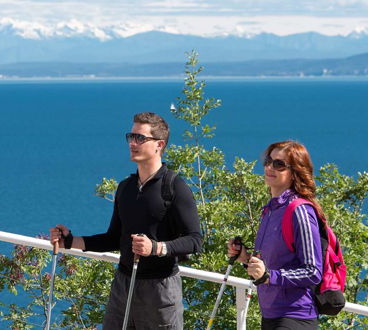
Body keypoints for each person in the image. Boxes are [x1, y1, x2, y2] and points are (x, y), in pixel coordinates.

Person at [50, 112, 202, 329]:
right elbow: (113, 238)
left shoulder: (175, 187)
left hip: (160, 290)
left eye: (140, 138)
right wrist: (70, 241)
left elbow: (195, 240)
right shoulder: (126, 188)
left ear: (159, 144)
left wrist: (156, 247)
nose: (132, 143)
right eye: (131, 136)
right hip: (123, 284)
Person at [228, 140, 323, 329]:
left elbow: (313, 271)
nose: (270, 167)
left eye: (279, 164)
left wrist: (269, 276)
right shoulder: (270, 210)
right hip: (271, 314)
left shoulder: (299, 211)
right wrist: (246, 259)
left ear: (295, 172)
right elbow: (272, 265)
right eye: (268, 161)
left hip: (295, 316)